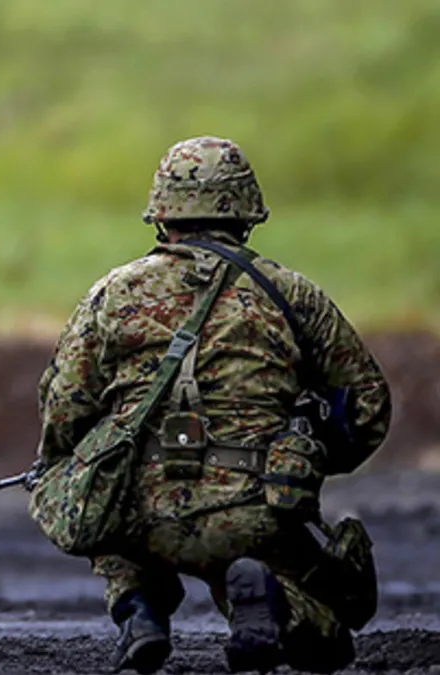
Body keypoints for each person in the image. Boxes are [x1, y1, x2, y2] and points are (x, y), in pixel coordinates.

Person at [29, 136, 392, 674]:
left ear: (161, 214)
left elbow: (64, 407)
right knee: (328, 643)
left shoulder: (112, 293)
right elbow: (368, 407)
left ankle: (138, 608)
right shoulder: (292, 295)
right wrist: (308, 455)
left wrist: (67, 462)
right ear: (247, 214)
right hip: (255, 508)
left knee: (94, 481)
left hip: (139, 512)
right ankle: (272, 605)